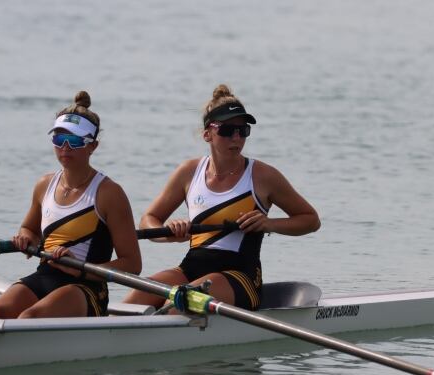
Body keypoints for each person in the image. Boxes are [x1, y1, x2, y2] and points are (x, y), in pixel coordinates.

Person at [123, 84, 319, 311]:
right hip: (190, 269)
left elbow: (310, 219)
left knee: (174, 304)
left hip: (241, 278)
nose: (236, 137)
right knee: (131, 303)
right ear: (207, 134)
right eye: (227, 130)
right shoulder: (188, 172)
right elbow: (149, 219)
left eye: (242, 130)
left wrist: (269, 224)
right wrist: (170, 233)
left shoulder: (263, 176)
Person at [0, 91, 141, 319]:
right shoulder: (44, 185)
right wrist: (25, 237)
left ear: (93, 146)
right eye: (59, 139)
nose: (65, 147)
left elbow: (133, 264)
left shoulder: (109, 193)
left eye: (74, 140)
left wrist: (80, 269)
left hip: (86, 288)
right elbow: (29, 229)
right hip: (44, 276)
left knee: (29, 318)